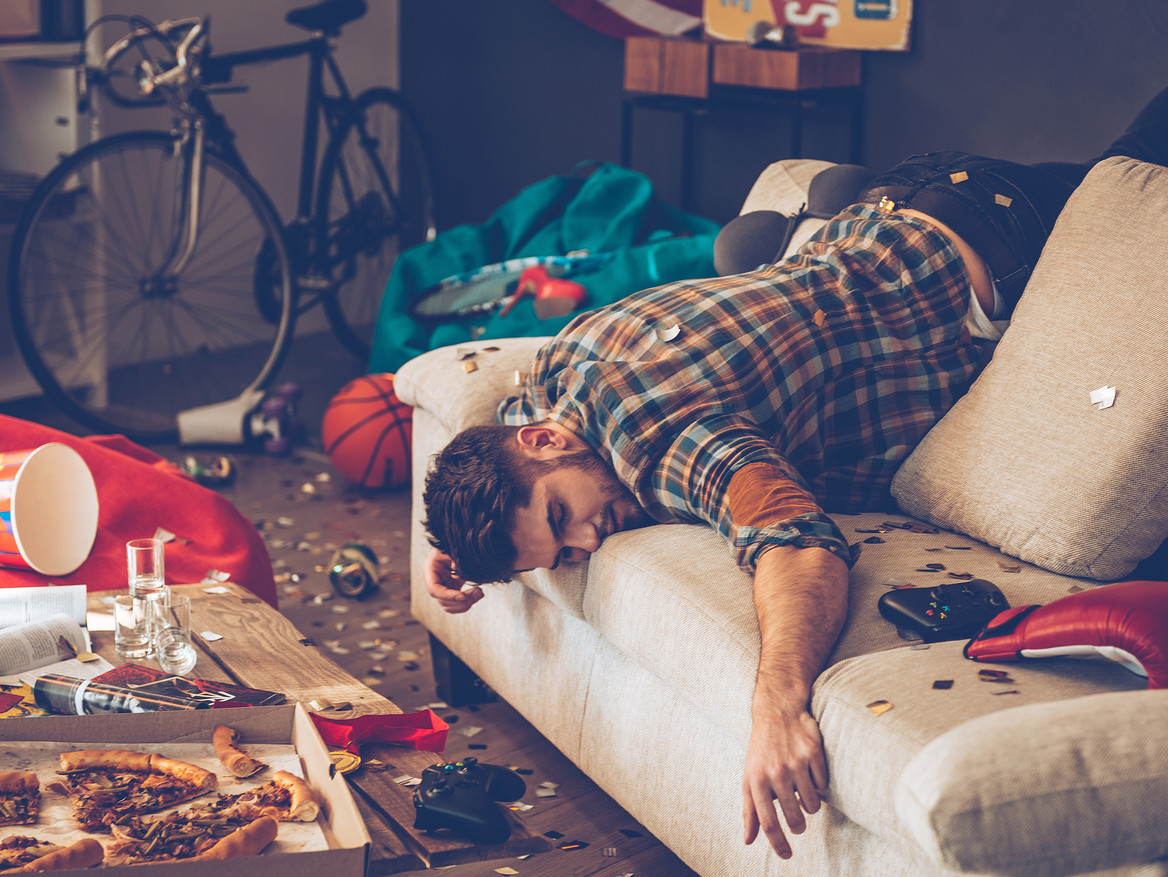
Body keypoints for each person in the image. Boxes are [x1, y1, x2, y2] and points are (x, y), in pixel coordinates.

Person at [418, 86, 1168, 860]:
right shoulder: (561, 368)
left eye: (559, 517)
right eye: (562, 550)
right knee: (1127, 158)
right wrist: (467, 543)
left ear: (545, 442)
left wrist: (777, 705)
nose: (588, 539)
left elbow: (799, 544)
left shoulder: (663, 438)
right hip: (904, 203)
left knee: (1140, 175)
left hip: (996, 237)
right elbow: (501, 434)